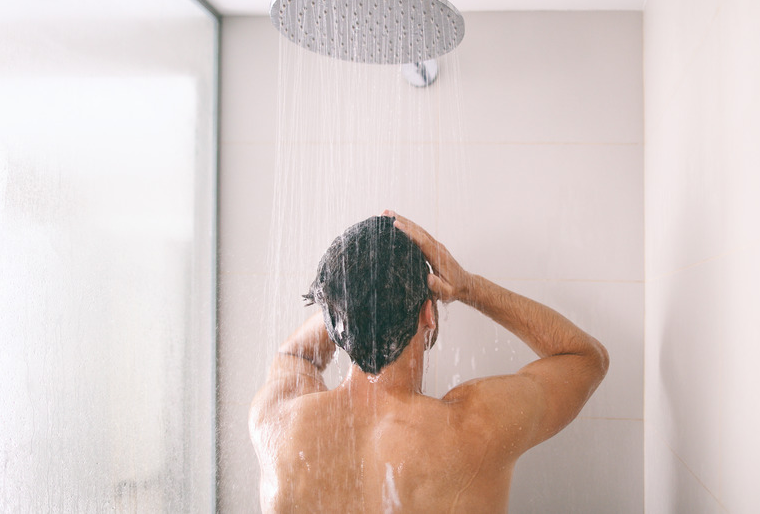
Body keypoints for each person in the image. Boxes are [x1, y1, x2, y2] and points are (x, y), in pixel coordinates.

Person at [249, 211, 609, 513]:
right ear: (429, 313)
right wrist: (468, 286)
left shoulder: (277, 423)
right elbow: (584, 358)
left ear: (332, 319)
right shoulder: (476, 426)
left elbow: (294, 354)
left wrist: (353, 299)